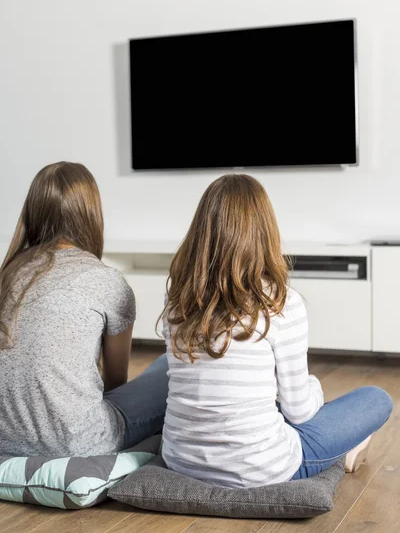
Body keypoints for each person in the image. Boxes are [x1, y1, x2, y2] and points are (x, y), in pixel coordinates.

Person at [160, 174, 393, 488]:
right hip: (262, 469)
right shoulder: (281, 303)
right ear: (264, 232)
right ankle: (342, 450)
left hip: (178, 459)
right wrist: (314, 386)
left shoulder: (179, 298)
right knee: (376, 399)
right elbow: (300, 412)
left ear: (200, 231)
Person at [0, 162, 168, 457]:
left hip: (5, 441)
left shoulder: (7, 275)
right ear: (90, 213)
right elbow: (116, 383)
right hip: (78, 444)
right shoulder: (106, 280)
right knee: (167, 366)